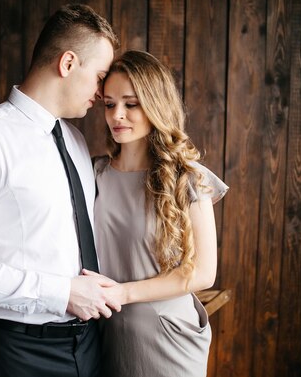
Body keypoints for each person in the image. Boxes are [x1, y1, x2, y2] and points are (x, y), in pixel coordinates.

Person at [0, 4, 121, 377]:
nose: (101, 93)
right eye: (99, 77)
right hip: (17, 352)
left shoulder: (76, 143)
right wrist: (61, 292)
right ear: (67, 64)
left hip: (90, 344)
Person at [87, 50, 229, 376]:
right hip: (108, 337)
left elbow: (204, 273)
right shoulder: (93, 173)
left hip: (168, 338)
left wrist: (124, 292)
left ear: (154, 104)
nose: (117, 115)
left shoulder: (188, 178)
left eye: (130, 104)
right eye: (109, 104)